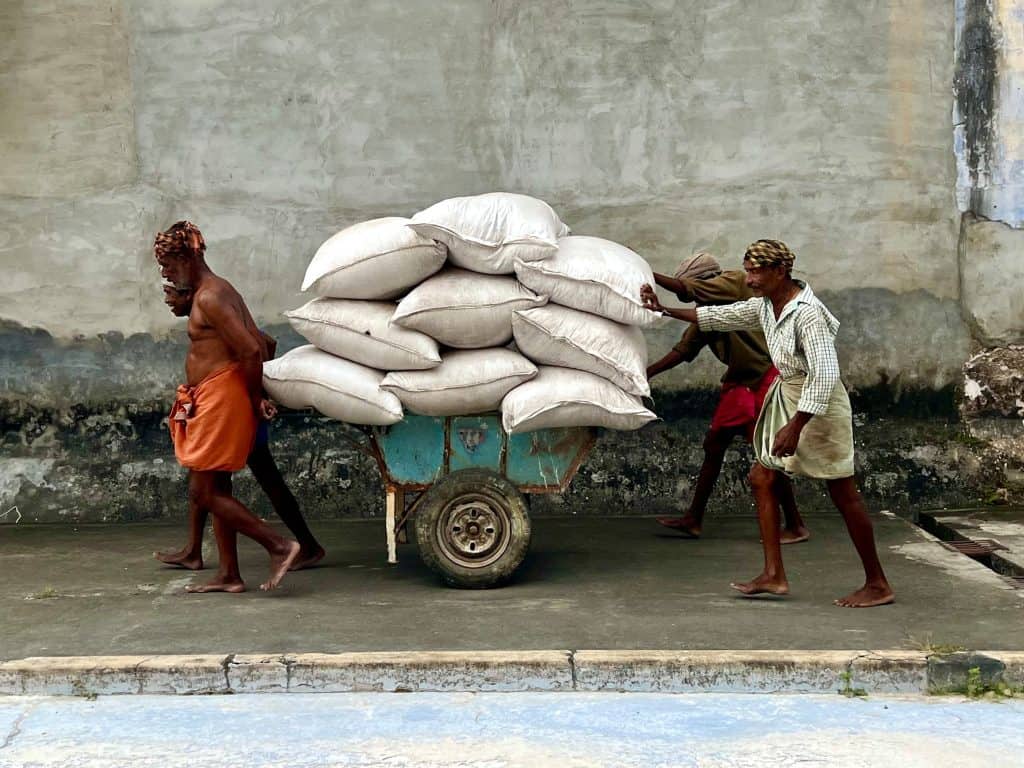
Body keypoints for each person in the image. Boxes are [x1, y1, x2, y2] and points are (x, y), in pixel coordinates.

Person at [641, 239, 894, 608]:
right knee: (762, 477)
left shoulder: (806, 313)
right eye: (748, 271)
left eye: (757, 272)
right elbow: (720, 317)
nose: (751, 279)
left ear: (780, 272)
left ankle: (877, 583)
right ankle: (774, 574)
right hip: (788, 395)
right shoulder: (765, 305)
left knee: (843, 493)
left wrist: (797, 426)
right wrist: (664, 311)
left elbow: (824, 375)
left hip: (818, 406)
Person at [154, 220, 300, 593]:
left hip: (223, 399)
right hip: (212, 395)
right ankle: (229, 575)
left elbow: (252, 348)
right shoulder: (211, 291)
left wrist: (255, 399)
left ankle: (279, 546)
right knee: (217, 485)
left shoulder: (211, 297)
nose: (166, 273)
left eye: (169, 264)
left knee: (204, 492)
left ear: (188, 256)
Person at [155, 285, 325, 572]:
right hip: (234, 407)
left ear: (188, 293)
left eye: (172, 293)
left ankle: (286, 546)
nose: (168, 299)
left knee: (212, 484)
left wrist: (254, 395)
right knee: (211, 480)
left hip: (233, 411)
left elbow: (259, 345)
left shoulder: (212, 305)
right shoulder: (214, 311)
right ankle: (198, 552)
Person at [646, 253, 809, 544]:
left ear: (710, 281)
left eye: (699, 287)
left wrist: (647, 273)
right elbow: (683, 351)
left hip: (764, 379)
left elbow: (687, 291)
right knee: (715, 445)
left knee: (765, 455)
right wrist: (646, 374)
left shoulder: (735, 283)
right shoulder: (708, 313)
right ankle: (694, 518)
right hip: (739, 383)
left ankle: (795, 524)